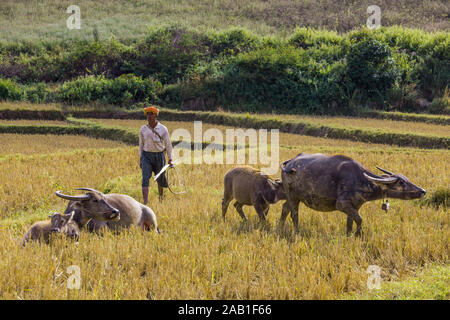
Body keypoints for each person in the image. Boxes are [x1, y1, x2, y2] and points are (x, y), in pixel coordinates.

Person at [139, 106, 174, 203]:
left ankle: (161, 198)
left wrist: (170, 159)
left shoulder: (163, 129)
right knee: (145, 178)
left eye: (152, 114)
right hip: (146, 156)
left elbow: (168, 144)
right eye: (148, 114)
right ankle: (145, 201)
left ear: (156, 116)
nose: (149, 116)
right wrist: (141, 158)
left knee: (160, 177)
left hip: (159, 155)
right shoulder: (143, 129)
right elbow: (141, 145)